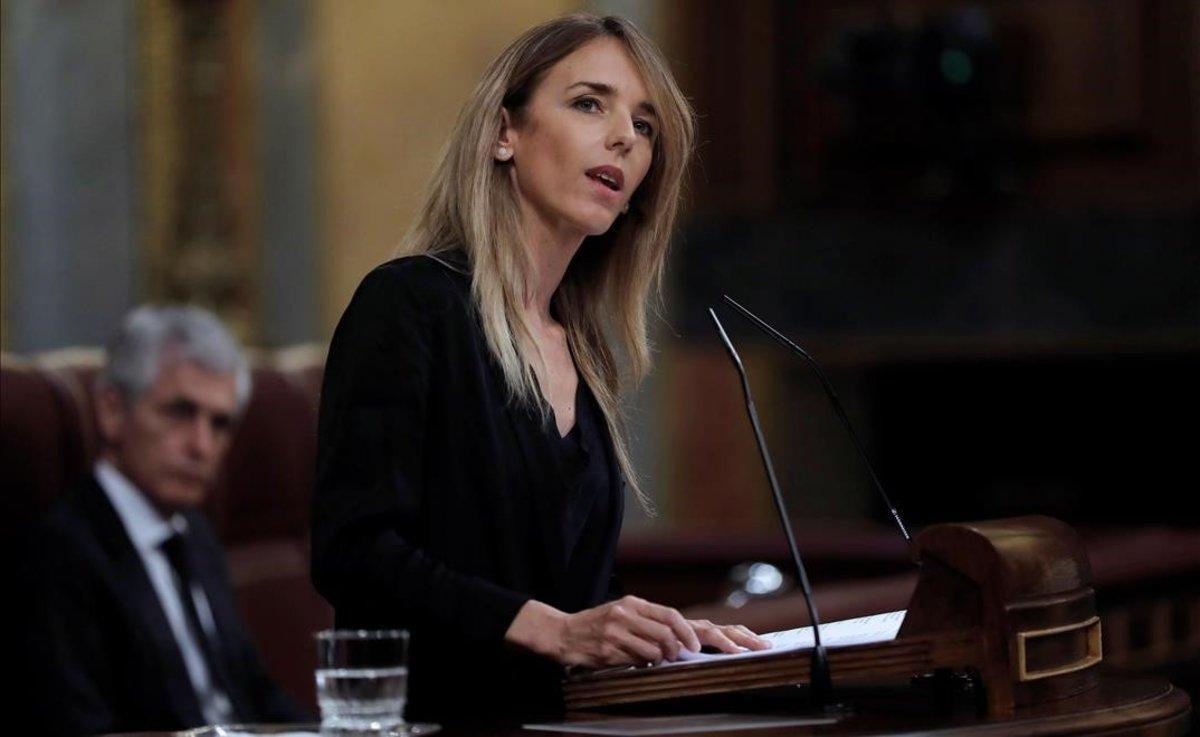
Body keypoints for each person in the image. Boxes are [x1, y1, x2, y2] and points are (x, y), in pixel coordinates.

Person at [311, 13, 769, 724]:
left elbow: (569, 590)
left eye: (645, 126)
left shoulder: (579, 348)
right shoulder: (409, 305)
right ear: (504, 133)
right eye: (590, 103)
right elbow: (354, 551)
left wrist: (666, 639)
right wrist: (553, 628)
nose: (624, 136)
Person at [35, 306, 306, 735]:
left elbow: (253, 693)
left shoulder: (193, 534)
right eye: (180, 412)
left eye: (220, 424)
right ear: (111, 410)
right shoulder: (60, 553)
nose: (202, 446)